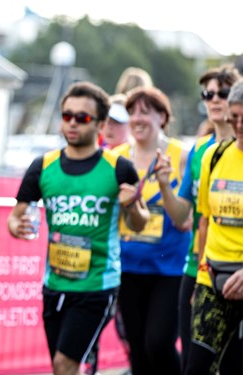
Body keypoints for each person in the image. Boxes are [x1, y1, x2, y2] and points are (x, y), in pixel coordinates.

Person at [7, 81, 149, 375]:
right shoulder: (42, 166)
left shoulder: (119, 168)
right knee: (62, 365)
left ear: (100, 123)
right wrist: (16, 225)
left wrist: (131, 204)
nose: (72, 123)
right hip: (55, 284)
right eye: (67, 115)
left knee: (65, 364)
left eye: (82, 118)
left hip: (97, 286)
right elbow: (15, 215)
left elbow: (138, 224)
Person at [156, 63, 241, 374]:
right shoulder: (201, 153)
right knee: (194, 363)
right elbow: (186, 217)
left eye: (222, 92)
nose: (214, 99)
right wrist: (164, 185)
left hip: (236, 271)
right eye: (208, 93)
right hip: (200, 270)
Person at [113, 86, 191, 375]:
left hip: (169, 268)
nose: (137, 118)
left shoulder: (182, 156)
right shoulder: (117, 157)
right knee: (137, 346)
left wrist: (165, 182)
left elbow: (186, 219)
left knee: (158, 343)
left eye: (145, 111)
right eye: (131, 112)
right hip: (128, 266)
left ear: (162, 116)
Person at [182, 79, 243, 375]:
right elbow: (204, 220)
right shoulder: (213, 155)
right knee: (197, 367)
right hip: (213, 277)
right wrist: (199, 274)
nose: (240, 124)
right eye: (235, 117)